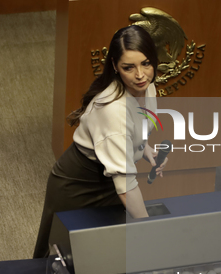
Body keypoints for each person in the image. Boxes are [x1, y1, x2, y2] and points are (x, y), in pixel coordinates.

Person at [33, 25, 167, 258]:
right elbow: (126, 185)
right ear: (115, 66)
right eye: (129, 67)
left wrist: (143, 148)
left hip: (109, 178)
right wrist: (149, 229)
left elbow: (135, 127)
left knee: (103, 254)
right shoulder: (113, 111)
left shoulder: (147, 86)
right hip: (79, 185)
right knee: (60, 258)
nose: (140, 75)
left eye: (145, 63)